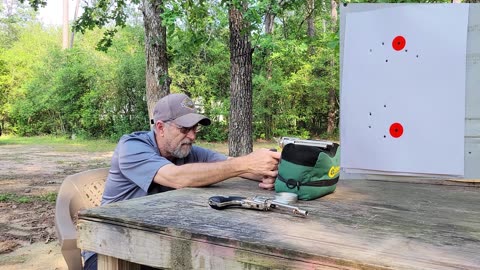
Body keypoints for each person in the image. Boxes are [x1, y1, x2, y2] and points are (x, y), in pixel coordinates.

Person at [83, 93, 281, 270]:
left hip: (154, 243)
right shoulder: (132, 147)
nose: (192, 136)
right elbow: (176, 177)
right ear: (160, 127)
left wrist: (267, 169)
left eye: (195, 128)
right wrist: (245, 164)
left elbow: (230, 164)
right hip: (108, 245)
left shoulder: (185, 151)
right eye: (184, 129)